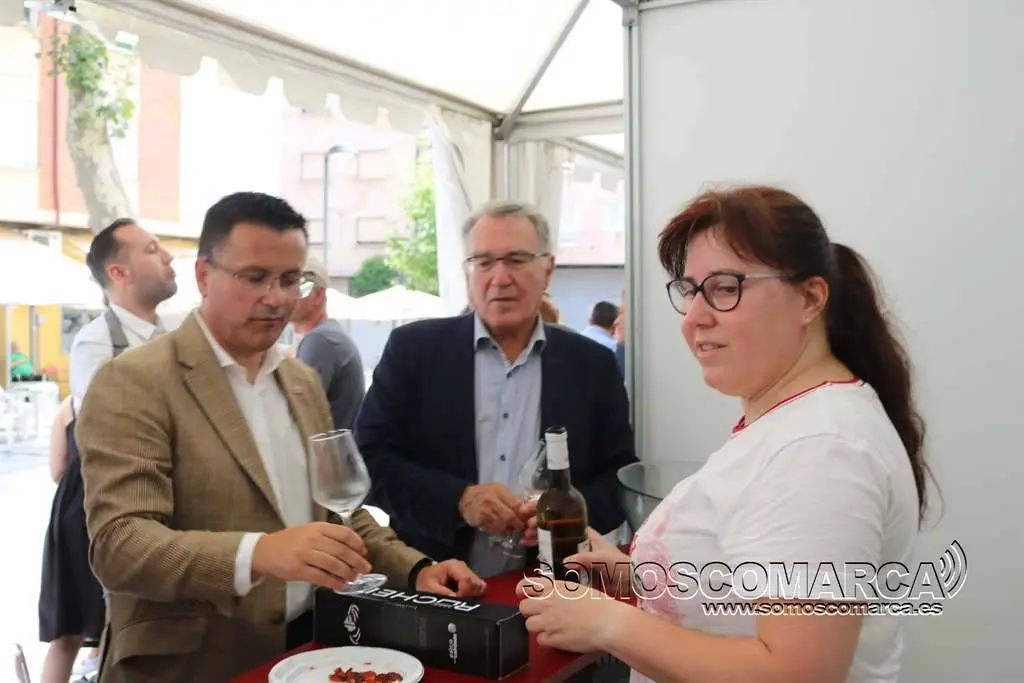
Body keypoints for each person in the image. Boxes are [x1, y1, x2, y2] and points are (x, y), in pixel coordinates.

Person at [517, 185, 932, 683]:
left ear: (809, 297)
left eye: (726, 287)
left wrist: (607, 623)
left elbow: (798, 672)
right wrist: (633, 573)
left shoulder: (821, 450)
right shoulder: (795, 422)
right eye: (691, 290)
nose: (695, 318)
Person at [75, 192, 484, 683]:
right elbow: (121, 546)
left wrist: (417, 571)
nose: (276, 297)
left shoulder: (300, 382)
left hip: (307, 651)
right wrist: (260, 553)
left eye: (292, 279)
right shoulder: (135, 381)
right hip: (190, 663)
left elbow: (342, 513)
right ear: (204, 276)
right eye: (254, 278)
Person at [356, 199, 637, 579]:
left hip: (553, 588)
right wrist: (459, 499)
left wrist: (565, 514)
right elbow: (370, 460)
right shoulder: (413, 352)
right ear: (467, 272)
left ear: (548, 269)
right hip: (435, 583)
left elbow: (619, 478)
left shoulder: (591, 366)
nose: (500, 277)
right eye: (484, 262)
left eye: (517, 260)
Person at [38, 217, 178, 683]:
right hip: (98, 502)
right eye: (154, 249)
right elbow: (105, 437)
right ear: (119, 273)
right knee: (75, 629)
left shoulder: (177, 337)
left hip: (167, 496)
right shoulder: (96, 342)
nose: (169, 256)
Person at [290, 253, 366, 430]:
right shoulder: (329, 336)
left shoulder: (320, 340)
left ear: (318, 296)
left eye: (297, 289)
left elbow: (295, 414)